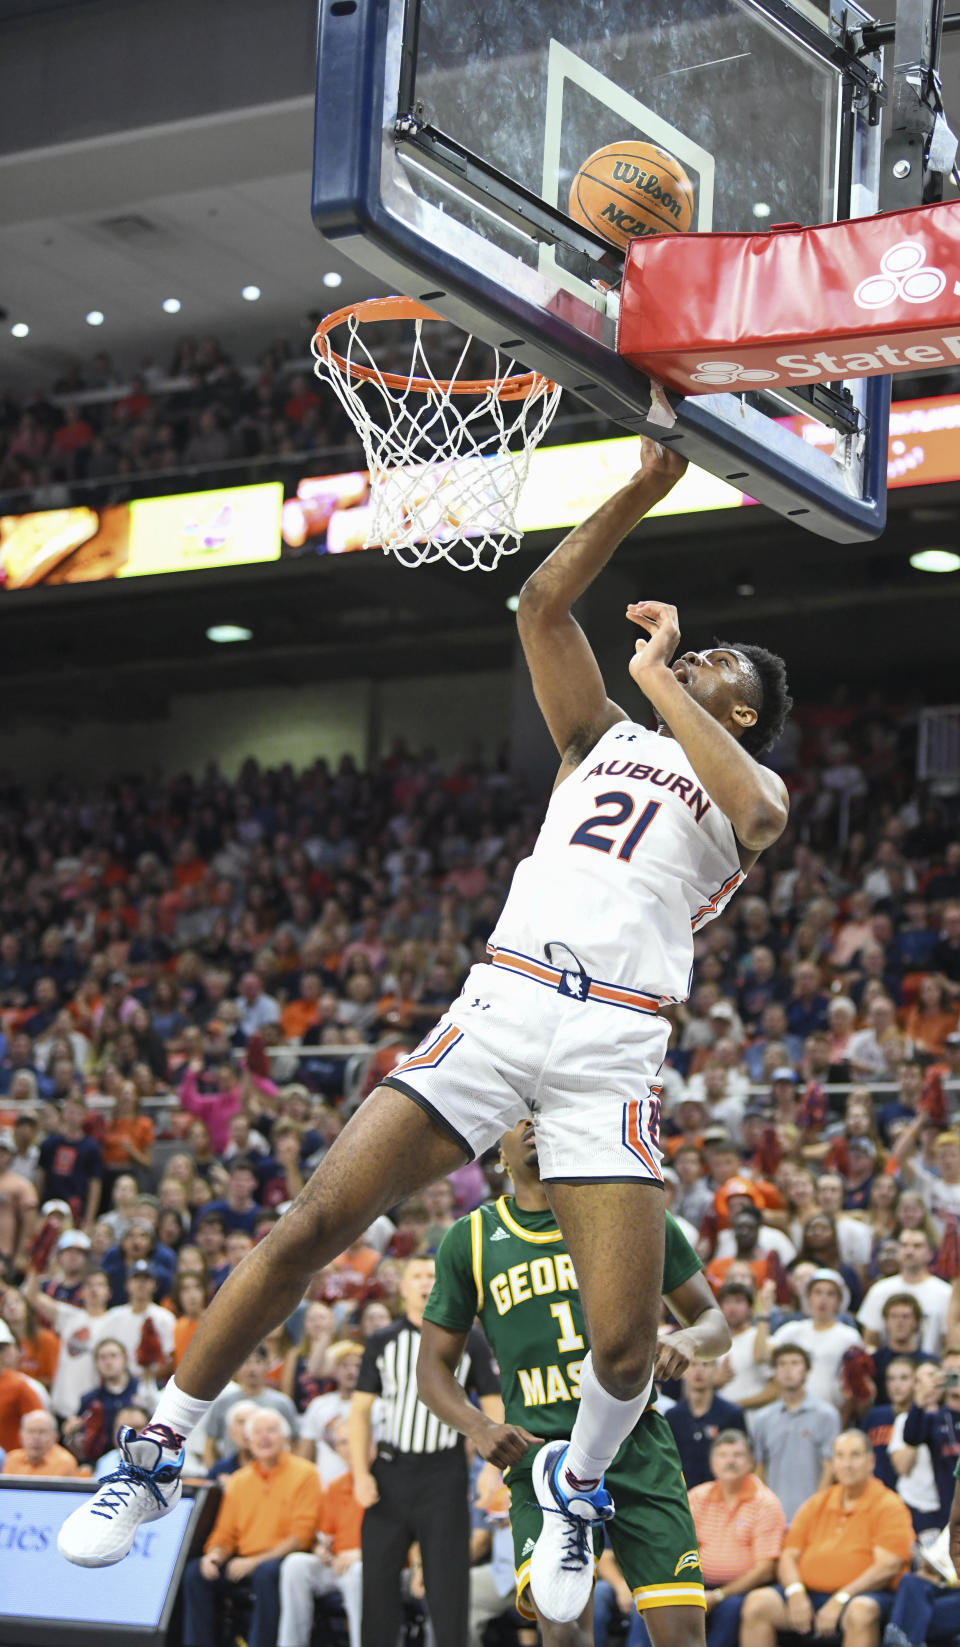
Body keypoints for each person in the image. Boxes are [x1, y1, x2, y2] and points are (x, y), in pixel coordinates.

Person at [59, 441, 792, 1624]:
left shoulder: (748, 785)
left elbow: (755, 806)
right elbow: (543, 603)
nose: (688, 656)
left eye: (713, 664)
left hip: (613, 1047)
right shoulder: (595, 737)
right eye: (686, 654)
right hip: (503, 1004)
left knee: (619, 1353)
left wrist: (664, 675)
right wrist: (645, 489)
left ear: (741, 705)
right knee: (313, 1221)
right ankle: (152, 1450)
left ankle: (577, 1483)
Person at [417, 1118, 730, 1646]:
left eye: (544, 1114)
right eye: (520, 1117)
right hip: (539, 1452)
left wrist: (687, 1341)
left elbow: (714, 1321)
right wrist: (478, 1426)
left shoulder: (633, 1213)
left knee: (682, 1636)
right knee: (562, 1630)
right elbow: (431, 1369)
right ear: (498, 1150)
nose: (533, 1125)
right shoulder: (470, 1239)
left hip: (636, 1447)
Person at [349, 1254, 499, 1647]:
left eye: (432, 1275)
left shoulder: (471, 1337)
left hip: (444, 1473)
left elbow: (494, 1404)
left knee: (449, 1588)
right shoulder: (383, 1340)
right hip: (391, 1471)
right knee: (377, 1585)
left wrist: (491, 1467)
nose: (424, 1282)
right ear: (402, 1286)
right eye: (415, 1275)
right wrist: (361, 1475)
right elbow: (360, 1410)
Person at [740, 1429, 914, 1647]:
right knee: (757, 1603)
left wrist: (841, 1598)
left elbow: (887, 1566)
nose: (847, 1464)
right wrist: (795, 1592)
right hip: (809, 1593)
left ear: (871, 1461)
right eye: (840, 1456)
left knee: (861, 1611)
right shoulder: (818, 1502)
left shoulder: (888, 1504)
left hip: (861, 1595)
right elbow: (788, 1556)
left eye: (855, 1455)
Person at [181, 1408, 322, 1647]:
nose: (264, 1437)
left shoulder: (306, 1474)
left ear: (285, 1437)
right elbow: (225, 1532)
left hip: (281, 1560)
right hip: (242, 1561)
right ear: (249, 1440)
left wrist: (254, 1562)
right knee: (196, 1573)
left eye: (271, 1431)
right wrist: (215, 1555)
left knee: (267, 1573)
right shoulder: (239, 1480)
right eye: (257, 1432)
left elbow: (302, 1536)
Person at [687, 1430, 786, 1647]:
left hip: (743, 1589)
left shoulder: (765, 1502)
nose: (730, 1461)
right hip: (699, 1584)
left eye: (738, 1455)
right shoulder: (697, 1496)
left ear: (751, 1462)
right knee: (658, 1601)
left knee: (730, 1609)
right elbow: (681, 1549)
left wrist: (720, 1595)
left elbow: (765, 1569)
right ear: (712, 1462)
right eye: (722, 1455)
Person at [277, 1417, 364, 1647]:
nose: (346, 1449)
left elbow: (403, 1536)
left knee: (358, 1571)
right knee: (295, 1564)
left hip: (369, 1566)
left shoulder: (387, 1481)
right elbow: (324, 1536)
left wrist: (361, 1553)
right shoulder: (335, 1487)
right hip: (336, 1566)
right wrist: (320, 1549)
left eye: (351, 1441)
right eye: (341, 1444)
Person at [751, 1343, 839, 1521]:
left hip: (814, 1515)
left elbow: (830, 1467)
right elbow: (759, 1467)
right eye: (781, 1364)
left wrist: (816, 1509)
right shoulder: (762, 1418)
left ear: (807, 1370)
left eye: (794, 1363)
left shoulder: (826, 1415)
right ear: (774, 1372)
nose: (788, 1370)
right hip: (772, 1516)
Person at [763, 1269, 863, 1411]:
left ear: (839, 1301)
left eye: (830, 1294)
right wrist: (765, 1313)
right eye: (818, 1292)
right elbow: (761, 1355)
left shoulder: (849, 1336)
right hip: (792, 1410)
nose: (823, 1299)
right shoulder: (792, 1330)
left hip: (833, 1409)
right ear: (808, 1297)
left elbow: (853, 1388)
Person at [203, 1343, 300, 1469]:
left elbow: (293, 1443)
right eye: (246, 1362)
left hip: (272, 1473)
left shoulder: (282, 1403)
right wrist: (215, 1473)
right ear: (236, 1367)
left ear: (267, 1365)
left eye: (258, 1362)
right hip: (232, 1474)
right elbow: (210, 1445)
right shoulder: (223, 1403)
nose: (252, 1369)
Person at [859, 1231, 952, 1356]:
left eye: (917, 1246)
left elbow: (949, 1340)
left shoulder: (945, 1293)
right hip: (887, 1369)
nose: (909, 1251)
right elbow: (870, 1339)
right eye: (904, 1245)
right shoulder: (879, 1290)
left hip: (930, 1366)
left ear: (930, 1254)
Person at [666, 1361, 747, 1489]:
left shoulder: (732, 1414)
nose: (699, 1371)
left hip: (722, 1496)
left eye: (706, 1365)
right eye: (693, 1365)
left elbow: (743, 1459)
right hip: (682, 1496)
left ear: (716, 1370)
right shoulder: (672, 1416)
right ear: (683, 1371)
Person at [2, 1407, 80, 1476]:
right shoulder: (12, 1459)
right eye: (31, 1431)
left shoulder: (65, 1463)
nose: (36, 1438)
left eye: (42, 1432)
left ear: (55, 1437)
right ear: (21, 1435)